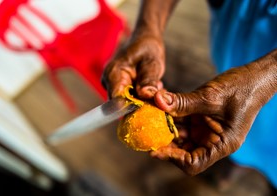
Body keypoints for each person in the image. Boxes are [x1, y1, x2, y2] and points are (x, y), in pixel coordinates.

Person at [102, 0, 277, 189]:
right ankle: (237, 161)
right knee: (236, 134)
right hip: (239, 23)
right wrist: (149, 28)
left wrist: (267, 76)